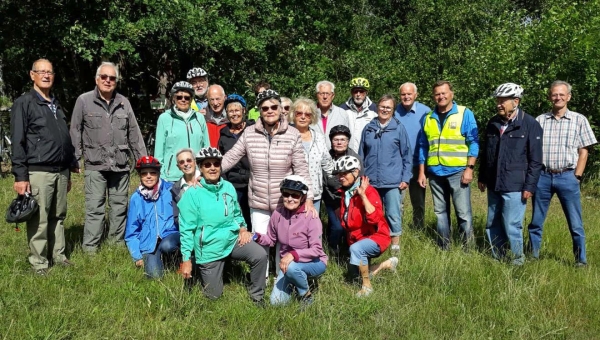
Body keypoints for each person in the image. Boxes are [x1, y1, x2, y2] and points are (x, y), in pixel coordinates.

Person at [221, 89, 318, 279]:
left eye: (274, 107)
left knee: (284, 242)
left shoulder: (292, 134)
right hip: (258, 199)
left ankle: (282, 279)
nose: (270, 111)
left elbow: (301, 168)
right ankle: (261, 279)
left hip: (284, 201)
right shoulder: (249, 133)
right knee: (261, 242)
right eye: (265, 108)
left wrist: (309, 198)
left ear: (281, 109)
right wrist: (205, 174)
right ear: (259, 111)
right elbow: (230, 157)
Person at [70, 61, 147, 254]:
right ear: (97, 79)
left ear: (116, 81)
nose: (108, 80)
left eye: (112, 78)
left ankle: (115, 244)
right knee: (95, 207)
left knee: (119, 206)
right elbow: (75, 130)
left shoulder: (124, 102)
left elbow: (134, 133)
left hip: (120, 165)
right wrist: (74, 158)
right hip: (95, 163)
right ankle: (90, 248)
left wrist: (143, 161)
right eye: (104, 77)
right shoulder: (84, 101)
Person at [11, 58, 78, 275]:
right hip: (38, 171)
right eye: (41, 72)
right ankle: (39, 263)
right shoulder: (24, 103)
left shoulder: (55, 104)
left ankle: (58, 256)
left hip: (60, 171)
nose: (46, 75)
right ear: (32, 75)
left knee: (58, 216)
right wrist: (21, 176)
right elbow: (18, 141)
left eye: (49, 72)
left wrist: (70, 165)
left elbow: (62, 137)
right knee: (39, 218)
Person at [179, 147, 268, 303]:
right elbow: (186, 229)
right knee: (214, 296)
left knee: (260, 255)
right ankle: (199, 264)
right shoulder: (192, 194)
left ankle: (257, 297)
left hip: (231, 239)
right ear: (200, 168)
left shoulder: (228, 187)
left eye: (216, 164)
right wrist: (186, 259)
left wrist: (242, 229)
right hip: (209, 247)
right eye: (207, 164)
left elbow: (236, 213)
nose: (212, 168)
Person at [527, 80, 597, 266]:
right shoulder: (540, 120)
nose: (558, 97)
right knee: (536, 221)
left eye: (561, 94)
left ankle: (580, 261)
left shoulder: (579, 119)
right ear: (550, 96)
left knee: (575, 223)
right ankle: (533, 256)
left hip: (568, 176)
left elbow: (584, 150)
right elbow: (531, 150)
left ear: (568, 97)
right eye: (554, 94)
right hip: (542, 176)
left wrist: (577, 176)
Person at [478, 83, 543, 265]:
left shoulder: (530, 125)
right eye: (497, 100)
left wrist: (530, 186)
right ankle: (496, 257)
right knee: (492, 222)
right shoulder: (493, 123)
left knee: (512, 225)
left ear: (516, 101)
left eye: (502, 101)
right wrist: (482, 176)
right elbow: (487, 153)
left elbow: (536, 160)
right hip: (493, 182)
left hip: (515, 184)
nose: (498, 104)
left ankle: (517, 260)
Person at [418, 81, 479, 250]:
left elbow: (473, 142)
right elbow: (423, 146)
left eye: (444, 93)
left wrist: (470, 169)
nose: (441, 96)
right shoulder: (428, 117)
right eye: (437, 94)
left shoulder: (464, 113)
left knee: (463, 213)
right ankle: (444, 247)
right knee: (440, 213)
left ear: (451, 93)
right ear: (433, 96)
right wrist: (422, 172)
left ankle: (468, 249)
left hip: (458, 172)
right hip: (435, 173)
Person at [254, 175, 328, 306]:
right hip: (287, 266)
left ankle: (306, 296)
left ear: (303, 197)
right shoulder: (278, 214)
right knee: (276, 303)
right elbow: (271, 240)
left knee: (293, 268)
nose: (290, 199)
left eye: (295, 195)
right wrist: (255, 237)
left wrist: (293, 255)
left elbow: (316, 250)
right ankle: (296, 282)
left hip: (314, 262)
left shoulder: (311, 217)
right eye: (286, 194)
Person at [334, 156, 398, 297]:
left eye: (344, 173)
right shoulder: (345, 193)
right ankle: (387, 264)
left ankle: (367, 287)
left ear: (356, 172)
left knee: (357, 250)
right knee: (354, 277)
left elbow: (375, 218)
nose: (340, 177)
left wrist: (363, 196)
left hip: (376, 237)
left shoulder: (369, 191)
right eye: (339, 174)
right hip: (357, 240)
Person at [359, 95, 412, 255]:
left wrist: (405, 178)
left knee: (393, 215)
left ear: (393, 110)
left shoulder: (398, 128)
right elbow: (361, 154)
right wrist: (361, 177)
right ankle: (375, 244)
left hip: (392, 182)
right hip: (371, 181)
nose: (384, 110)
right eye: (382, 106)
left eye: (388, 107)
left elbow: (407, 155)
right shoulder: (368, 128)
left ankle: (395, 249)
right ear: (378, 107)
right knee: (372, 214)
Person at [125, 156, 180, 278]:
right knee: (154, 277)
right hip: (149, 244)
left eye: (153, 173)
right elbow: (131, 233)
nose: (149, 176)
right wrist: (136, 255)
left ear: (159, 174)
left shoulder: (171, 189)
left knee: (167, 246)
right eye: (144, 174)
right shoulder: (136, 198)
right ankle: (160, 262)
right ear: (139, 175)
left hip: (171, 235)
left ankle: (178, 260)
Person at [154, 81, 210, 182]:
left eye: (187, 97)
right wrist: (161, 175)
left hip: (196, 176)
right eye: (179, 97)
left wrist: (205, 172)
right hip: (171, 177)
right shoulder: (165, 118)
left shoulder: (199, 118)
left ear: (191, 99)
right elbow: (159, 151)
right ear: (174, 98)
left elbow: (206, 147)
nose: (183, 100)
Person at [394, 82, 431, 230]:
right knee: (398, 200)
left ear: (415, 95)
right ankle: (397, 230)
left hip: (418, 164)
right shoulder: (394, 111)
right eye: (403, 94)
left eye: (409, 94)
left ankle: (418, 229)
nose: (406, 96)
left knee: (418, 201)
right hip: (398, 165)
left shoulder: (425, 112)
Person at [322, 125, 364, 255]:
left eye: (343, 139)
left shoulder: (355, 157)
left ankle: (348, 249)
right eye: (336, 139)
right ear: (331, 141)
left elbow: (359, 178)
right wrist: (338, 183)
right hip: (332, 198)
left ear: (348, 141)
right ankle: (333, 250)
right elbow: (326, 179)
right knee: (337, 227)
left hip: (350, 197)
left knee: (350, 225)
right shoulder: (326, 156)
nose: (339, 142)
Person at [291, 97, 334, 212]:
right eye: (299, 113)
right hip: (291, 194)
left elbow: (328, 164)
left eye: (308, 114)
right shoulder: (286, 136)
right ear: (293, 115)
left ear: (312, 118)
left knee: (311, 228)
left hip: (314, 194)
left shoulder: (319, 137)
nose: (303, 117)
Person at [218, 94, 254, 230]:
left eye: (237, 110)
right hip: (233, 183)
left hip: (252, 182)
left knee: (253, 218)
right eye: (230, 111)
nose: (234, 114)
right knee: (237, 218)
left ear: (244, 111)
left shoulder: (253, 129)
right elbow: (222, 159)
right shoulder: (224, 134)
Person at [342, 78, 377, 152]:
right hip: (347, 153)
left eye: (361, 91)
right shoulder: (342, 109)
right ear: (351, 93)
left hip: (368, 153)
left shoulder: (375, 109)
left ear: (366, 93)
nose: (358, 94)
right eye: (355, 91)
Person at [314, 80, 350, 149]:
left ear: (333, 96)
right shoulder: (309, 113)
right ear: (317, 95)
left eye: (328, 94)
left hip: (336, 156)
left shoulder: (342, 114)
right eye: (322, 93)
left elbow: (348, 137)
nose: (325, 97)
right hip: (314, 157)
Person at [170, 148, 200, 227]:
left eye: (189, 160)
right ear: (178, 166)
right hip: (188, 230)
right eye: (182, 162)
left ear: (195, 162)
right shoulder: (176, 189)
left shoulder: (206, 180)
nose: (186, 164)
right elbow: (176, 217)